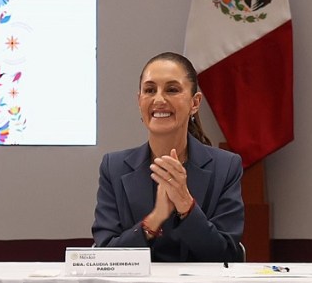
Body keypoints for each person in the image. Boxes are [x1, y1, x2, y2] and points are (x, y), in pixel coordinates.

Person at [92, 52, 245, 262]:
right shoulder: (114, 167)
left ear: (195, 102)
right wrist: (154, 220)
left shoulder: (226, 167)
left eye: (172, 90)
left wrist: (185, 205)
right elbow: (105, 258)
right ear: (139, 101)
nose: (159, 99)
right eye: (149, 90)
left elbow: (227, 256)